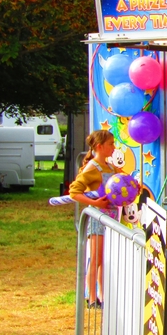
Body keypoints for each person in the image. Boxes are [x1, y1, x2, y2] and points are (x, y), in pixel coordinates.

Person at [68, 130, 117, 309]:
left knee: (105, 259)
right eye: (111, 144)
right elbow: (74, 192)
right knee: (96, 258)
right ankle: (92, 297)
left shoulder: (111, 167)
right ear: (99, 147)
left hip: (112, 218)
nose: (114, 147)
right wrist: (94, 202)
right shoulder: (92, 168)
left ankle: (103, 296)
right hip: (98, 217)